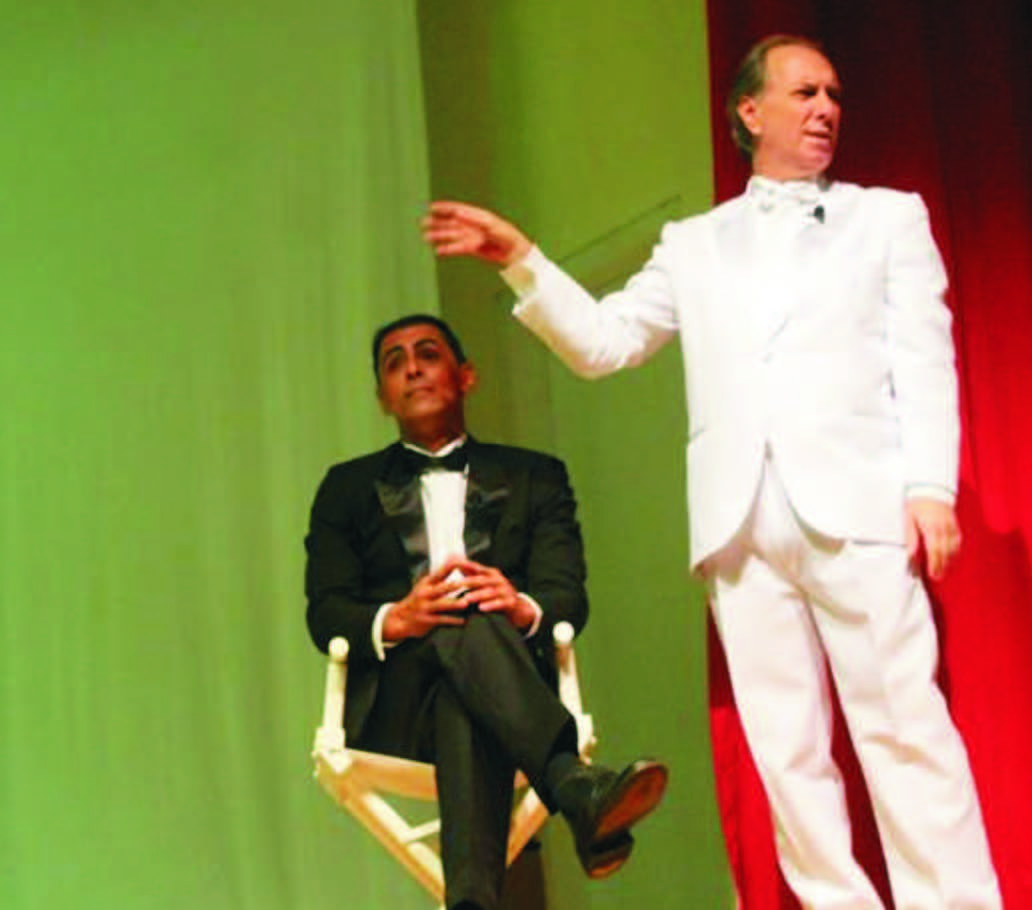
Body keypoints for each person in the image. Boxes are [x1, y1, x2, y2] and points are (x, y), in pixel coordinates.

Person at [421, 34, 1001, 909]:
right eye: (805, 93)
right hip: (739, 526)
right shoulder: (693, 244)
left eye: (834, 95)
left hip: (856, 507)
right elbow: (606, 343)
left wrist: (930, 486)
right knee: (788, 758)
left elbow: (924, 357)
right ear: (750, 111)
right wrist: (521, 260)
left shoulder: (888, 218)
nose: (826, 109)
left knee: (905, 732)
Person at [304, 313, 667, 910]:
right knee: (461, 620)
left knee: (467, 671)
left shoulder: (536, 477)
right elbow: (327, 613)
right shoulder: (346, 488)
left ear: (466, 376)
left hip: (501, 699)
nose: (412, 369)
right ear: (382, 396)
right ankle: (571, 783)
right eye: (394, 363)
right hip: (398, 710)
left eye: (427, 354)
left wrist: (519, 605)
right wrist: (400, 616)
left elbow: (566, 596)